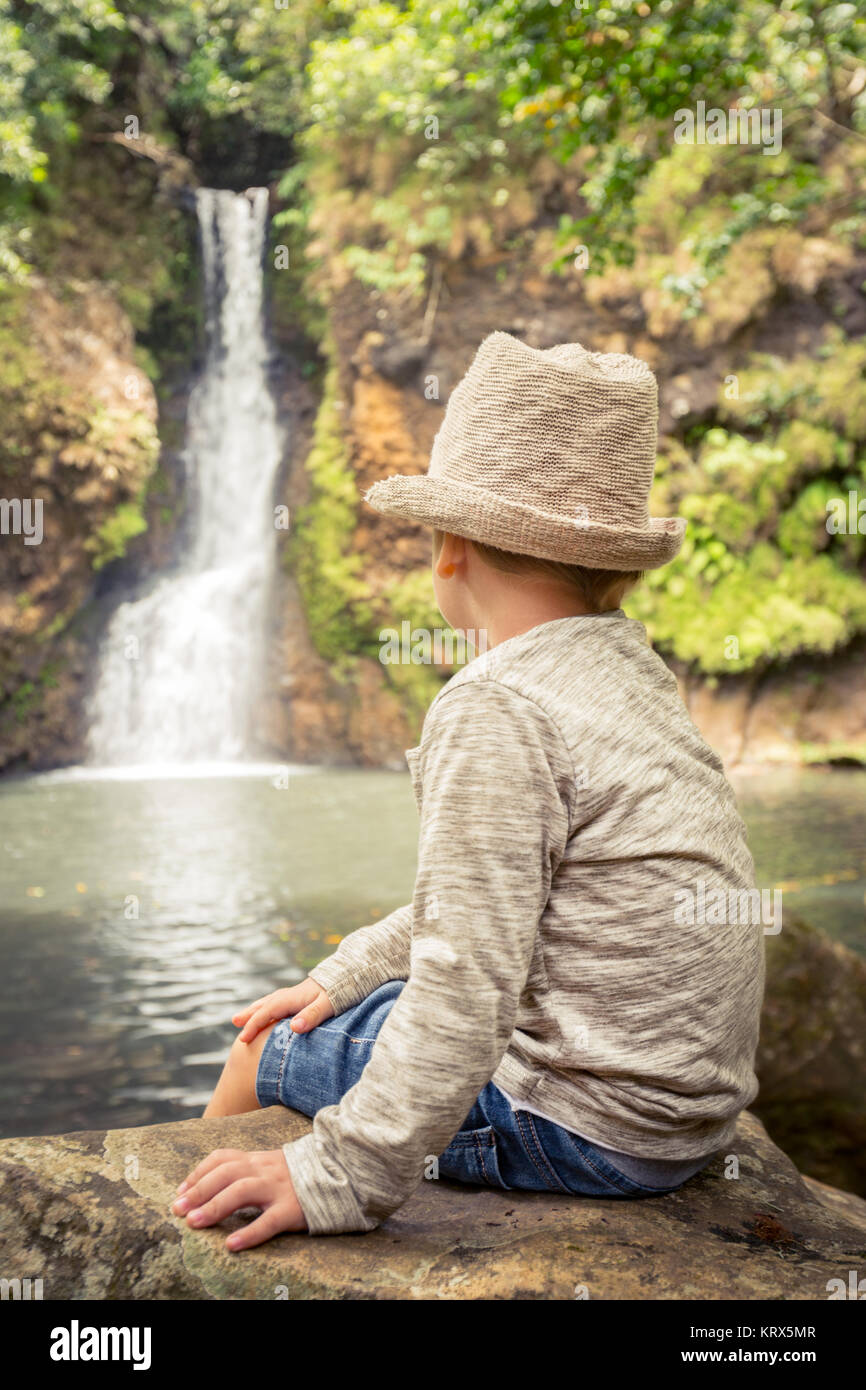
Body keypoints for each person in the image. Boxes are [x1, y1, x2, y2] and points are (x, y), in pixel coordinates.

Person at [172, 331, 764, 1248]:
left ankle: (182, 1234)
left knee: (262, 1049)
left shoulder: (495, 704)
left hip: (581, 1129)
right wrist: (351, 970)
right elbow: (492, 905)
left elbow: (465, 986)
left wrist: (339, 1174)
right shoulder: (627, 673)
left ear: (450, 548)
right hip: (678, 1126)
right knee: (349, 1013)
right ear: (616, 564)